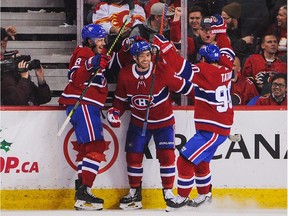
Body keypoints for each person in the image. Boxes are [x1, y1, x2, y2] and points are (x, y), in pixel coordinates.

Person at [107, 39, 193, 210]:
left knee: (167, 157)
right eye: (142, 56)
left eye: (148, 55)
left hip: (164, 123)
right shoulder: (125, 74)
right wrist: (115, 112)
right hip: (138, 122)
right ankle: (134, 194)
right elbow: (120, 101)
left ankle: (168, 193)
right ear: (134, 58)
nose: (146, 59)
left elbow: (187, 88)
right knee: (133, 156)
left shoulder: (160, 69)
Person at [152, 35, 234, 210]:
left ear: (203, 59)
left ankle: (182, 198)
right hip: (217, 127)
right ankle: (204, 195)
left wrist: (165, 47)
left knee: (185, 160)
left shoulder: (205, 71)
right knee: (201, 161)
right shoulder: (227, 67)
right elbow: (227, 48)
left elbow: (181, 67)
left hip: (212, 129)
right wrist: (220, 31)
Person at [58, 24, 111, 211]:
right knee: (96, 146)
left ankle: (81, 194)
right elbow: (75, 76)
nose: (103, 43)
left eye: (104, 39)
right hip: (84, 105)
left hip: (86, 105)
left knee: (85, 150)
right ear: (89, 41)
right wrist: (93, 63)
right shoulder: (84, 53)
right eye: (99, 39)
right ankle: (85, 190)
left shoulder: (91, 54)